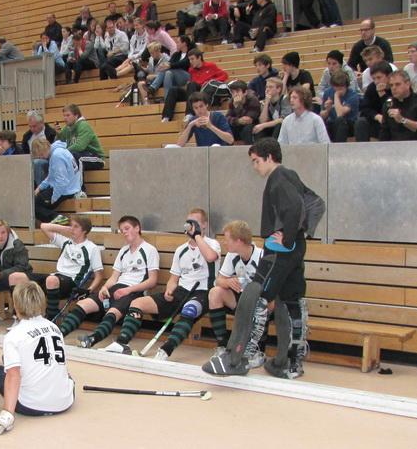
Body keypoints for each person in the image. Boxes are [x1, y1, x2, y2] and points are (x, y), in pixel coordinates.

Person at [204, 138, 319, 379]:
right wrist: (299, 235)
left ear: (269, 157)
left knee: (254, 295)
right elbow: (316, 203)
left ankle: (237, 359)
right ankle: (289, 363)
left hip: (279, 251)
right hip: (295, 249)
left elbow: (296, 207)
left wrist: (286, 238)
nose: (255, 166)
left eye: (256, 161)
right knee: (291, 300)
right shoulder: (292, 176)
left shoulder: (278, 178)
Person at [102, 209, 220, 360]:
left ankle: (166, 349)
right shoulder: (181, 250)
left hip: (203, 292)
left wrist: (196, 235)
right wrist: (169, 290)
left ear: (204, 225)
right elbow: (173, 279)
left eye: (195, 223)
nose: (190, 226)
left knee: (189, 310)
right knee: (137, 303)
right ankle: (122, 343)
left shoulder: (212, 244)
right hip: (181, 291)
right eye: (188, 222)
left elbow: (210, 257)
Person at [0, 281, 74, 437]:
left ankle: (12, 397)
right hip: (66, 401)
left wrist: (7, 414)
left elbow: (13, 376)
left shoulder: (13, 335)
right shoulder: (55, 328)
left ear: (16, 305)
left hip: (31, 406)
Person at [60, 216, 159, 349]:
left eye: (127, 228)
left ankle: (92, 339)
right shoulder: (124, 250)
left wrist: (128, 290)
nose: (124, 232)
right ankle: (58, 335)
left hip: (134, 291)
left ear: (137, 228)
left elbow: (152, 281)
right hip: (117, 288)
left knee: (112, 312)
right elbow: (114, 277)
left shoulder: (149, 250)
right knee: (83, 304)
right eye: (121, 230)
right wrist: (104, 288)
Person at [208, 220, 266, 367]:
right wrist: (227, 282)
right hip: (241, 298)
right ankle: (223, 346)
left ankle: (258, 350)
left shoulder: (262, 256)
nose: (224, 243)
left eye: (227, 239)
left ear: (239, 241)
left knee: (264, 302)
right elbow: (218, 280)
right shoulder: (232, 255)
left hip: (260, 301)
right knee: (215, 293)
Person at [39, 216, 104, 320]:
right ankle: (22, 319)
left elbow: (99, 276)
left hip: (72, 282)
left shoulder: (92, 248)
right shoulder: (66, 242)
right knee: (21, 278)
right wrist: (64, 229)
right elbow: (43, 226)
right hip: (56, 277)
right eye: (71, 225)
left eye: (76, 226)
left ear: (84, 230)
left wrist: (88, 290)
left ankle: (51, 318)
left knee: (51, 280)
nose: (71, 229)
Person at [162, 49, 228, 123]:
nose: (190, 62)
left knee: (192, 84)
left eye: (192, 59)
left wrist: (210, 82)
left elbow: (224, 75)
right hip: (193, 92)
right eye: (189, 59)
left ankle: (189, 114)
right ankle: (166, 117)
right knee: (173, 89)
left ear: (199, 58)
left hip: (204, 92)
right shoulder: (191, 70)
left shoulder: (210, 66)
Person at [32, 138, 82, 223]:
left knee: (33, 205)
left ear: (44, 149)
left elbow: (61, 181)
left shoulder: (56, 156)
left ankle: (56, 218)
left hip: (66, 190)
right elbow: (51, 176)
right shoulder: (59, 151)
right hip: (70, 187)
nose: (41, 157)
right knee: (37, 199)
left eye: (41, 154)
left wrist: (54, 198)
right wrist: (40, 188)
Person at [379, 70, 417, 141]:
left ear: (408, 84)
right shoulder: (389, 103)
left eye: (397, 84)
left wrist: (402, 120)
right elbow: (384, 131)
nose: (393, 88)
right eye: (391, 85)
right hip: (396, 145)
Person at [56, 103, 105, 170]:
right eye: (64, 115)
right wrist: (58, 134)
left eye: (68, 115)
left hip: (96, 158)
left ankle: (77, 177)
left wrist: (63, 152)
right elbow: (60, 143)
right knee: (59, 157)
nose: (65, 118)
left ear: (76, 116)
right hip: (81, 155)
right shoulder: (67, 128)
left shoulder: (83, 125)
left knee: (73, 156)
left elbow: (80, 146)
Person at [147, 35, 194, 105]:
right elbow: (169, 63)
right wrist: (164, 65)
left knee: (167, 70)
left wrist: (170, 65)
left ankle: (153, 87)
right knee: (167, 72)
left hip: (186, 75)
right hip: (174, 76)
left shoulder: (190, 53)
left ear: (184, 43)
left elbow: (185, 63)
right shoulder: (176, 54)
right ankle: (167, 99)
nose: (176, 44)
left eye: (178, 42)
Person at [355, 61, 393, 142]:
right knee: (361, 122)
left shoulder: (396, 87)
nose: (376, 81)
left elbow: (391, 106)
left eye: (379, 77)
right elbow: (364, 108)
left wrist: (382, 95)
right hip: (377, 121)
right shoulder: (372, 88)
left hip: (393, 121)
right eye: (374, 78)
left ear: (389, 76)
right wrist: (376, 116)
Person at [320, 70, 360, 142]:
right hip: (332, 123)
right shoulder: (327, 92)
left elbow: (340, 114)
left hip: (349, 123)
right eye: (336, 88)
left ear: (346, 86)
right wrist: (327, 110)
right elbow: (322, 116)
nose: (338, 90)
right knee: (322, 124)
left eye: (341, 88)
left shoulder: (353, 95)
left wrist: (336, 95)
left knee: (340, 121)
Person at [22, 111, 57, 185]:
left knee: (37, 163)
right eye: (30, 126)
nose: (32, 129)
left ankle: (40, 188)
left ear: (42, 123)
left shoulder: (51, 133)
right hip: (30, 161)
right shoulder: (27, 136)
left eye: (34, 126)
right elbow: (24, 153)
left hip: (48, 161)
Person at [226, 80, 261, 144]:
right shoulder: (232, 101)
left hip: (253, 125)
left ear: (245, 92)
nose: (235, 94)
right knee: (227, 127)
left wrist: (237, 107)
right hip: (238, 124)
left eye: (237, 91)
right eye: (233, 92)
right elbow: (227, 118)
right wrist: (238, 120)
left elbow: (248, 120)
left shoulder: (253, 100)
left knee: (247, 129)